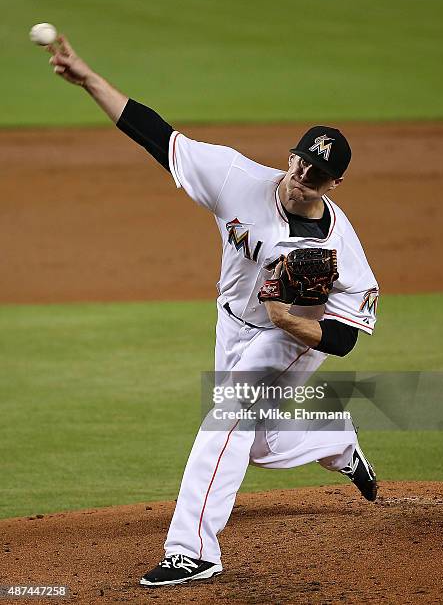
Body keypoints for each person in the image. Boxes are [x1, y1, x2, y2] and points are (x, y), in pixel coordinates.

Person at [47, 36, 379, 588]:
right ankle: (336, 439)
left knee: (226, 416)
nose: (304, 178)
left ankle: (193, 549)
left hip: (291, 339)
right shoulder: (236, 177)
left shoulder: (344, 250)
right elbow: (157, 135)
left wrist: (287, 321)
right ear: (292, 156)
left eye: (318, 176)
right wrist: (88, 79)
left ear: (335, 183)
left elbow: (344, 338)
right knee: (261, 444)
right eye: (302, 164)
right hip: (231, 322)